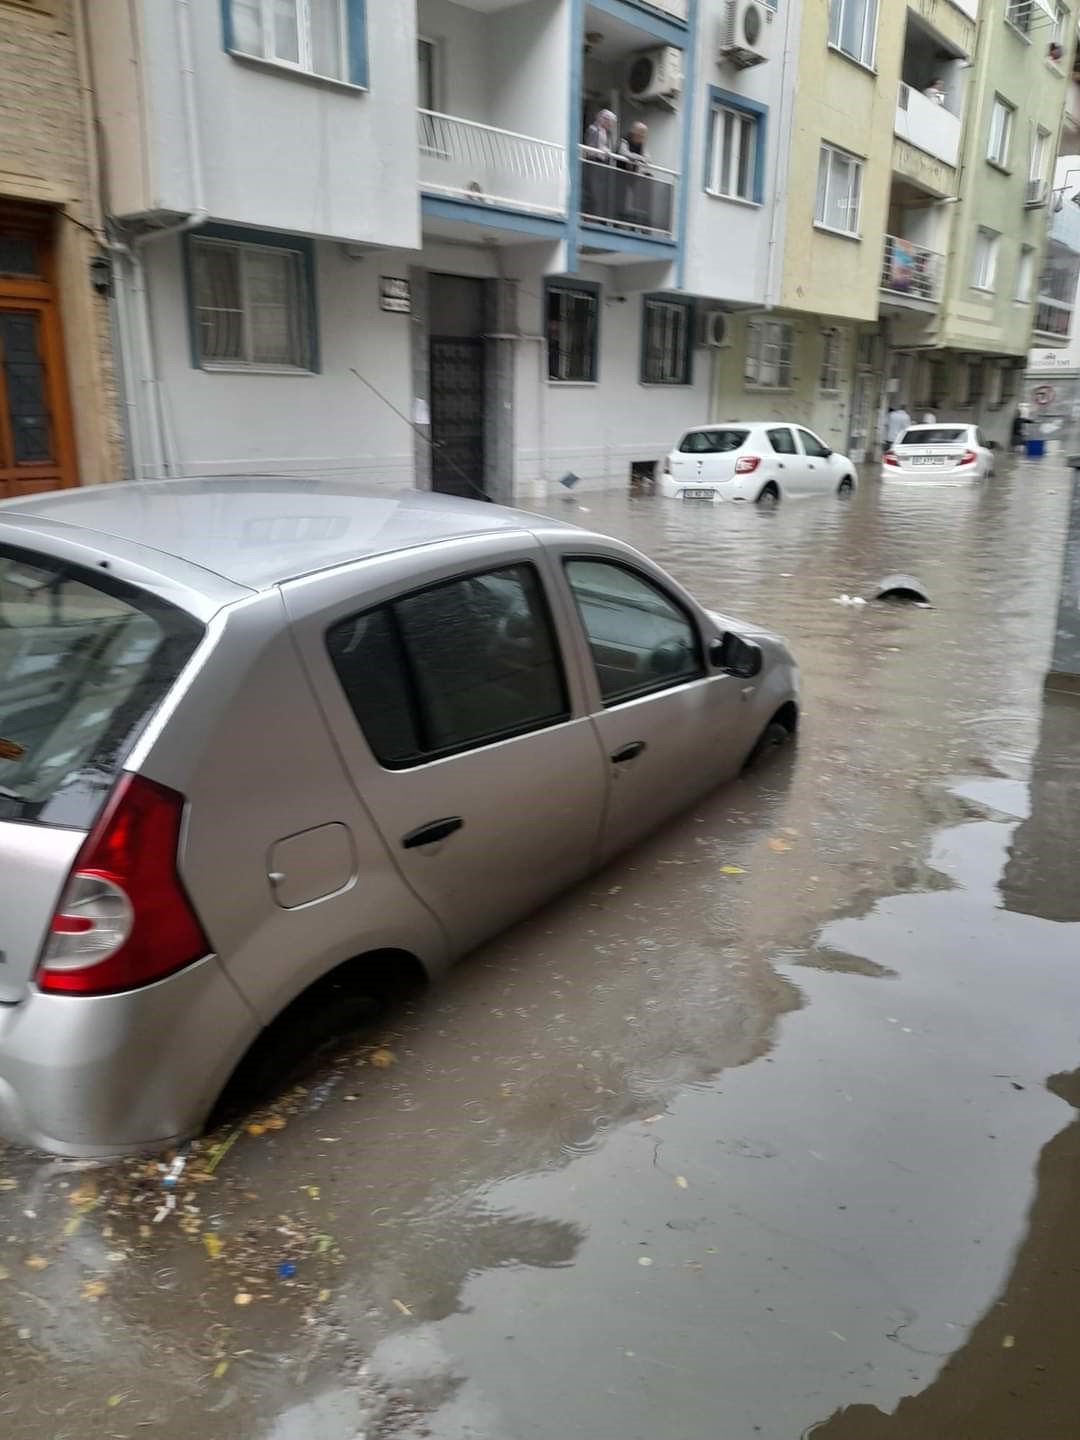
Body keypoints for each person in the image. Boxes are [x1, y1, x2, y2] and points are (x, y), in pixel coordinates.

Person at [582, 109, 617, 221]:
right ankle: (589, 217)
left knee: (600, 193)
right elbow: (590, 148)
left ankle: (597, 217)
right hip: (593, 163)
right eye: (610, 122)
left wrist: (606, 152)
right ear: (604, 120)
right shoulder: (593, 129)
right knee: (591, 190)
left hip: (602, 165)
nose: (611, 125)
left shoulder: (608, 134)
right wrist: (603, 151)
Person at [618, 121, 651, 227]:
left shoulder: (641, 144)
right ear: (634, 132)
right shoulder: (625, 139)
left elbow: (648, 158)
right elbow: (623, 152)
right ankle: (617, 220)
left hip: (631, 175)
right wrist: (637, 157)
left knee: (631, 199)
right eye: (640, 133)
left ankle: (629, 222)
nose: (641, 136)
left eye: (643, 134)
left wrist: (637, 158)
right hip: (618, 173)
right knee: (619, 197)